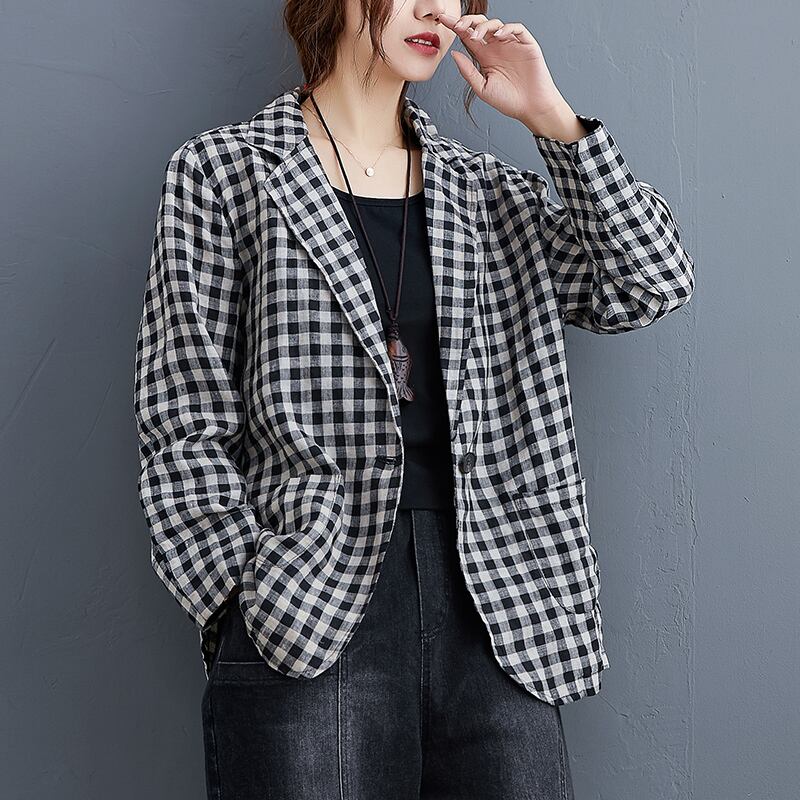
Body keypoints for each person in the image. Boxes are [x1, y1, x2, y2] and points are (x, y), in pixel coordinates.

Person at [133, 2, 694, 798]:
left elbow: (648, 283)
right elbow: (181, 416)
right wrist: (240, 598)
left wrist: (552, 119)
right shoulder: (225, 172)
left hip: (501, 602)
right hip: (310, 594)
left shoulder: (488, 194)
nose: (438, 7)